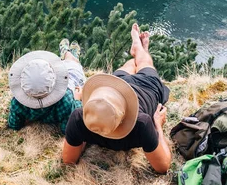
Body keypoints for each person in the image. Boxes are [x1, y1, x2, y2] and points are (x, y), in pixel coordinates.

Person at [62, 23, 172, 173]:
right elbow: (163, 166)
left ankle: (138, 50)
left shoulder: (79, 118)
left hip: (111, 91)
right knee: (143, 63)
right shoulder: (142, 123)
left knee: (128, 66)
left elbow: (68, 161)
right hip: (145, 88)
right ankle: (140, 50)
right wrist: (158, 123)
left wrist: (83, 136)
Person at [7, 40, 85, 134]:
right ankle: (69, 54)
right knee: (73, 64)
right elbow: (69, 129)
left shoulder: (17, 103)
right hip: (72, 80)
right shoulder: (66, 98)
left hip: (53, 79)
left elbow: (14, 125)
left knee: (68, 63)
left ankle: (67, 52)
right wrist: (77, 100)